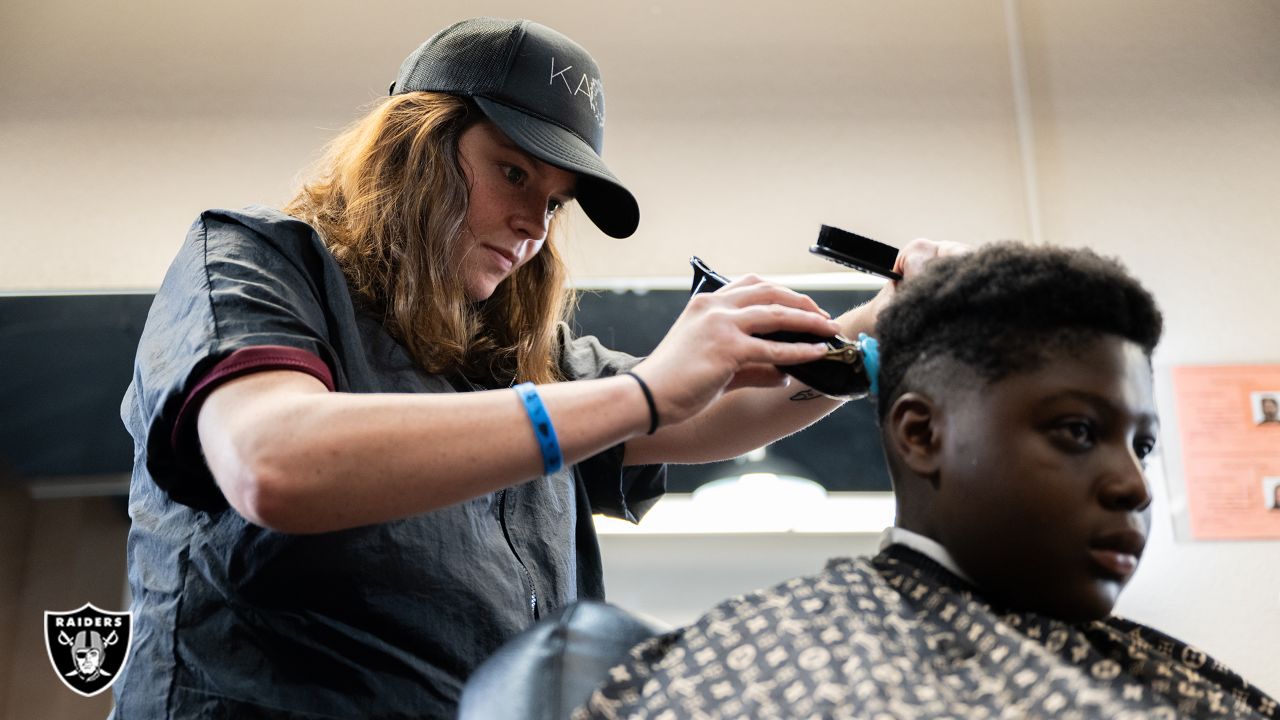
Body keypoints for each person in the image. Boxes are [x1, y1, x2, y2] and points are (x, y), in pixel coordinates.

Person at [111, 17, 958, 719]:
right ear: (411, 154)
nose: (533, 225)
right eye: (511, 172)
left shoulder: (520, 363)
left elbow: (712, 411)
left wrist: (889, 327)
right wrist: (641, 392)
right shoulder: (256, 261)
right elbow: (276, 462)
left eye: (553, 202)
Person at [578, 243, 1280, 719]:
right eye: (1078, 432)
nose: (1136, 486)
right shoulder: (755, 672)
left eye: (1144, 445)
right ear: (920, 433)